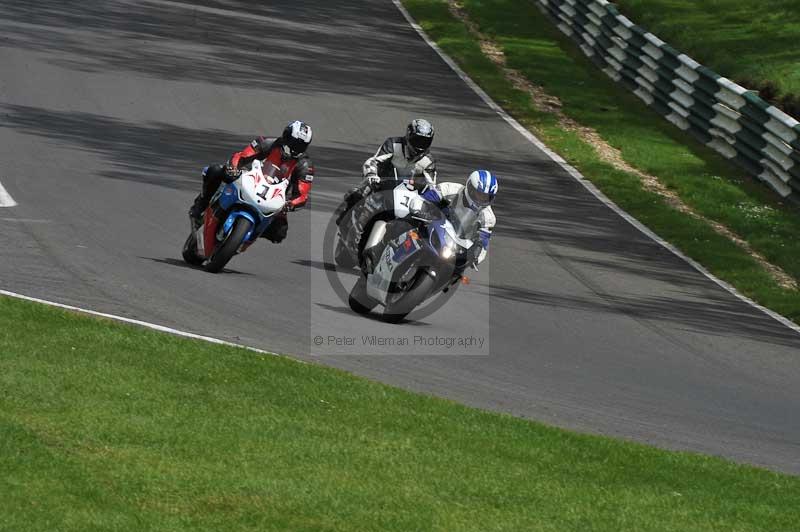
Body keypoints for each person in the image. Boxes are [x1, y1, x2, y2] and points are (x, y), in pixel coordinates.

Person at [189, 120, 315, 243]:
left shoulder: (305, 165)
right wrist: (233, 168)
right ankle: (200, 206)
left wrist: (290, 204)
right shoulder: (267, 143)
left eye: (300, 146)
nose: (295, 148)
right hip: (247, 178)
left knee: (279, 232)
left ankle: (244, 237)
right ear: (286, 136)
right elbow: (241, 156)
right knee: (215, 170)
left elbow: (302, 195)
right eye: (293, 142)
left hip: (274, 197)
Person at [436, 170, 498, 267]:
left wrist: (476, 256)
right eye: (479, 194)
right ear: (470, 188)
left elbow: (483, 241)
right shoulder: (449, 189)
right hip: (435, 226)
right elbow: (428, 197)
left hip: (457, 243)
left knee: (460, 269)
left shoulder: (489, 217)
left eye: (486, 197)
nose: (481, 199)